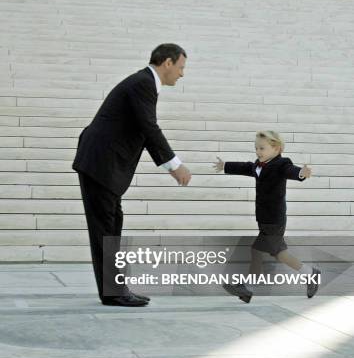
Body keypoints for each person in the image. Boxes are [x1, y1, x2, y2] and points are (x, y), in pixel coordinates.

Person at [73, 43, 192, 307]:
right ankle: (114, 292)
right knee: (106, 229)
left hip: (103, 165)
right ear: (168, 63)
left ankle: (114, 290)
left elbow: (144, 129)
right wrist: (175, 165)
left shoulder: (144, 84)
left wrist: (170, 167)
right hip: (100, 164)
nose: (182, 74)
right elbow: (149, 127)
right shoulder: (143, 83)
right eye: (181, 67)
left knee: (112, 225)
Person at [213, 130, 320, 303]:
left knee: (256, 250)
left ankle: (247, 288)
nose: (258, 151)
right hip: (264, 219)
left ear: (276, 148)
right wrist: (225, 166)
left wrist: (301, 173)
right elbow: (245, 167)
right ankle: (311, 274)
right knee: (281, 255)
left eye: (262, 148)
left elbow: (291, 171)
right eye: (256, 148)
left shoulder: (282, 164)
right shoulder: (258, 164)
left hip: (274, 219)